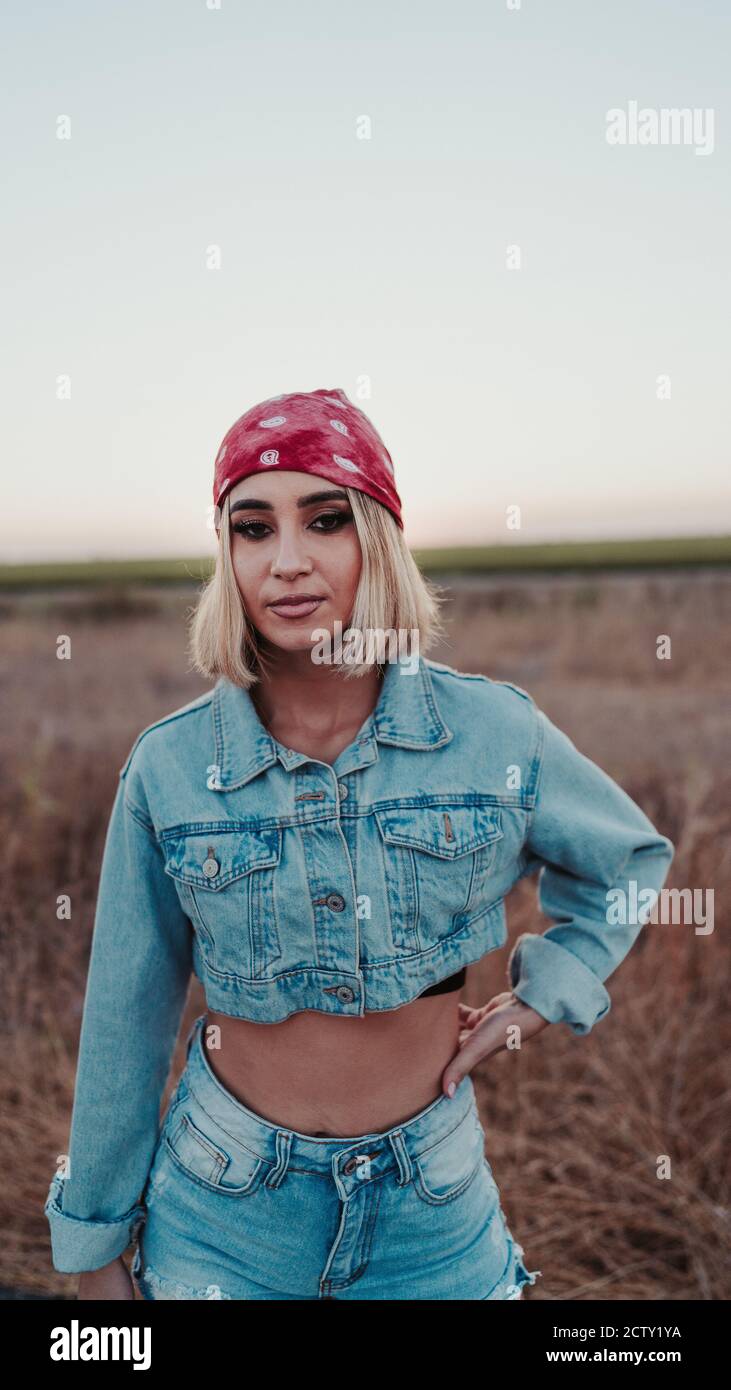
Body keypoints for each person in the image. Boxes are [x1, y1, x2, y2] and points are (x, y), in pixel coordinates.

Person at [44, 387, 675, 1299]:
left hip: (434, 1201)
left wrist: (546, 994)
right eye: (252, 529)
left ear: (374, 538)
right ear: (226, 555)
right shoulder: (170, 768)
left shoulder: (494, 734)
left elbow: (628, 862)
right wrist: (97, 1252)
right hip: (224, 1206)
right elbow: (124, 1020)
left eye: (324, 520)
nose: (287, 562)